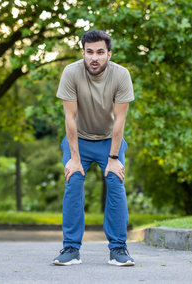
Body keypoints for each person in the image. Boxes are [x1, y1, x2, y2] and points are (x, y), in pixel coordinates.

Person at [52, 30, 135, 266]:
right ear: (83, 53)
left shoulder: (121, 75)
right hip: (78, 140)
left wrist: (113, 158)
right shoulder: (71, 72)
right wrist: (74, 159)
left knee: (115, 181)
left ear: (109, 54)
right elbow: (70, 117)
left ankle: (118, 248)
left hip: (110, 140)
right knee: (73, 179)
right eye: (89, 52)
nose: (94, 57)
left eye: (100, 52)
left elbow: (120, 120)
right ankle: (71, 248)